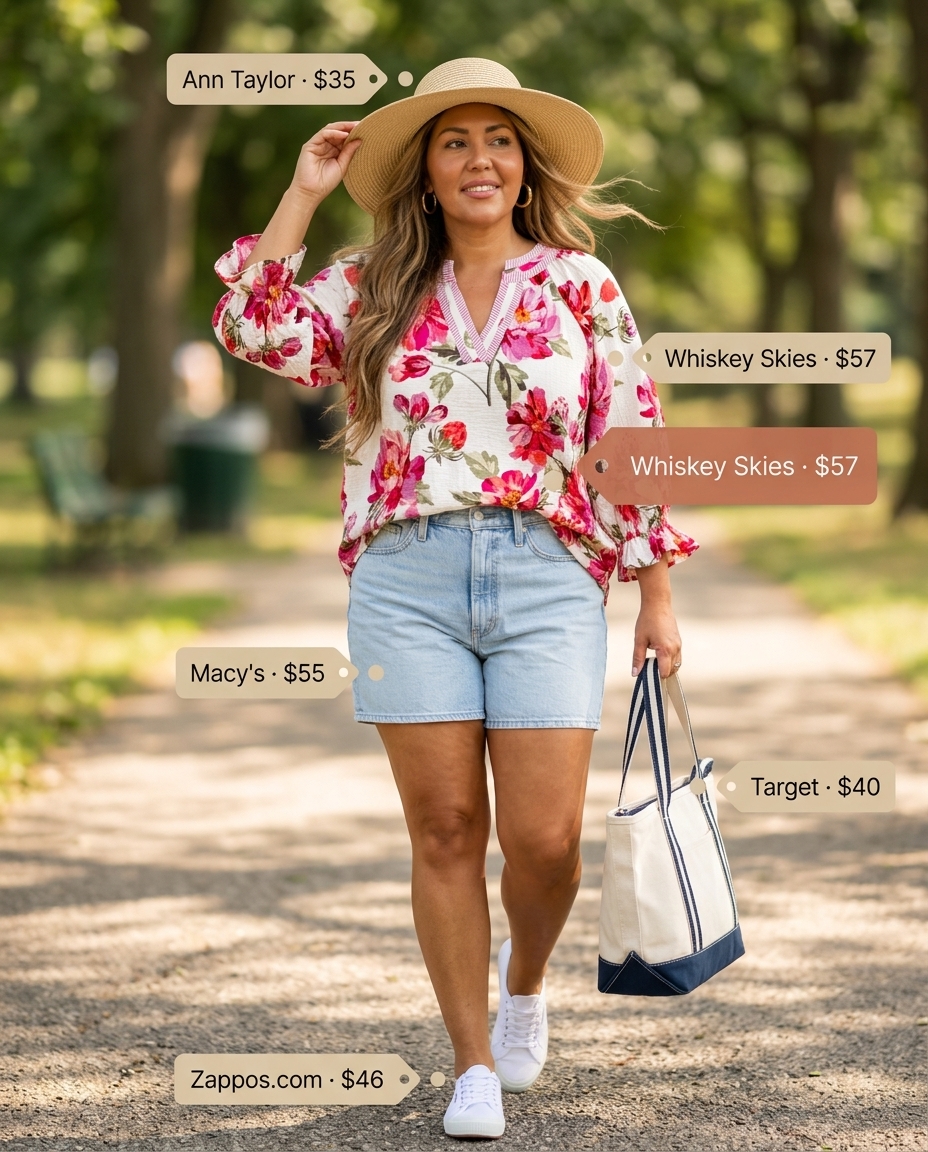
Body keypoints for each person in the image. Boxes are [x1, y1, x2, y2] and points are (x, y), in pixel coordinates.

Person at [213, 57, 696, 1140]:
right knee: (441, 829)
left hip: (545, 577)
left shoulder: (579, 284)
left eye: (498, 140)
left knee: (545, 843)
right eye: (453, 141)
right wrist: (301, 189)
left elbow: (637, 436)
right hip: (405, 578)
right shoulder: (371, 281)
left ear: (523, 168)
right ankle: (471, 1062)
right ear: (425, 173)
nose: (479, 158)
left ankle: (525, 984)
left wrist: (655, 591)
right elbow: (251, 327)